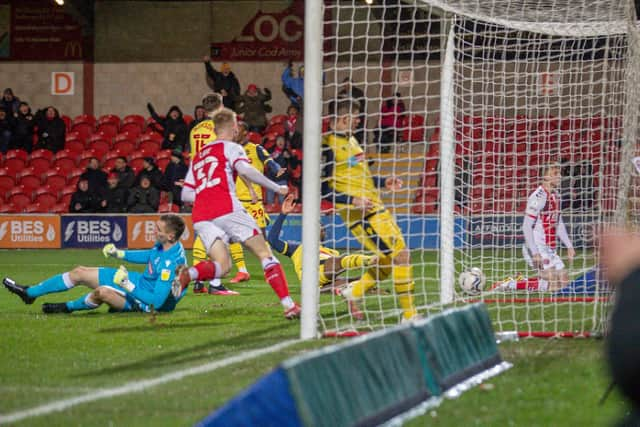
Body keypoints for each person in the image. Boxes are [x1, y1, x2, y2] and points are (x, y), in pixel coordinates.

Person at [176, 108, 301, 319]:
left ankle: (190, 274)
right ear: (234, 129)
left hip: (201, 215)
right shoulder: (232, 147)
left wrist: (206, 194)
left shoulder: (198, 157)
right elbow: (246, 170)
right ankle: (289, 305)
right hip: (226, 207)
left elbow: (186, 194)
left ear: (214, 130)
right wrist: (276, 188)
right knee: (265, 254)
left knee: (222, 267)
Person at [321, 98, 418, 322]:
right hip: (362, 217)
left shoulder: (353, 141)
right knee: (401, 256)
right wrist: (352, 200)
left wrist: (384, 182)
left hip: (377, 208)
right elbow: (322, 188)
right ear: (345, 118)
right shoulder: (327, 144)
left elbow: (362, 179)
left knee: (386, 261)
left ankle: (352, 292)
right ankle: (410, 316)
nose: (358, 122)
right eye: (355, 118)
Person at [3, 215, 188, 314]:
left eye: (158, 229)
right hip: (140, 282)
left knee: (102, 293)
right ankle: (30, 293)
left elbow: (157, 301)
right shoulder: (167, 245)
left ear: (171, 235)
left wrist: (126, 285)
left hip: (146, 302)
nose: (154, 231)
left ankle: (67, 307)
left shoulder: (170, 265)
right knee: (79, 272)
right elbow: (150, 255)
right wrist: (119, 253)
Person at [268, 195, 378, 319]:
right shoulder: (297, 248)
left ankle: (347, 293)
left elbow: (332, 277)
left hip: (322, 284)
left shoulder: (332, 252)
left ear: (323, 232)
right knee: (340, 261)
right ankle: (370, 260)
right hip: (311, 274)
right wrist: (283, 214)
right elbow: (272, 240)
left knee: (365, 279)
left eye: (318, 227)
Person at [493, 163, 575, 292]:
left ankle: (519, 281)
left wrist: (569, 245)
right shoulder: (538, 197)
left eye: (559, 173)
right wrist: (535, 253)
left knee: (564, 284)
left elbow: (558, 223)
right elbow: (526, 226)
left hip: (549, 249)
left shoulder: (556, 196)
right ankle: (509, 284)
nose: (559, 176)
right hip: (535, 248)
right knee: (553, 286)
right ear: (545, 177)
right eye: (555, 173)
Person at [224, 121, 284, 286]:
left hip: (254, 200)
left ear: (246, 133)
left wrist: (276, 168)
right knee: (232, 237)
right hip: (236, 200)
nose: (235, 134)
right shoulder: (231, 151)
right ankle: (242, 271)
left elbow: (268, 160)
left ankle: (271, 268)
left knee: (261, 236)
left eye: (239, 131)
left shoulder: (256, 148)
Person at [188, 92, 236, 295]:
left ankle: (200, 279)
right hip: (214, 182)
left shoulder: (194, 130)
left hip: (199, 182)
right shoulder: (217, 130)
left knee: (207, 231)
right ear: (220, 106)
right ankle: (214, 282)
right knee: (221, 232)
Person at [265, 135, 291, 207]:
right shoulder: (270, 151)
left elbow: (292, 162)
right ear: (276, 142)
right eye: (279, 140)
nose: (280, 142)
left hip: (282, 179)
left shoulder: (286, 152)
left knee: (282, 201)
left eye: (282, 140)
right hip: (271, 179)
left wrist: (288, 157)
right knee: (269, 200)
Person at [339, 77, 366, 144]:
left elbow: (361, 105)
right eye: (345, 85)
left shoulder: (359, 93)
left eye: (348, 84)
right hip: (346, 118)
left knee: (357, 136)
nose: (347, 86)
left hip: (357, 117)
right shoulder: (341, 93)